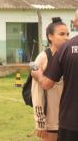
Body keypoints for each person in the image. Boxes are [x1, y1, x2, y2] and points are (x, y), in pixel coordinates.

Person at [32, 9, 78, 141]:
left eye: (67, 34)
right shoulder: (42, 59)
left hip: (66, 121)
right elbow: (37, 93)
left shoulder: (66, 50)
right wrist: (40, 122)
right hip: (53, 122)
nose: (66, 37)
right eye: (61, 34)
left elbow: (47, 83)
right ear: (50, 36)